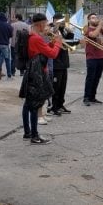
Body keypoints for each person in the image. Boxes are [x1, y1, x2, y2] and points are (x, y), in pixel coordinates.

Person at [24, 13, 61, 144]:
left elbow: (44, 50)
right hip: (37, 72)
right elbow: (52, 54)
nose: (45, 27)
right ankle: (34, 136)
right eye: (45, 24)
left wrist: (51, 42)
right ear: (39, 24)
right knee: (35, 104)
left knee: (28, 104)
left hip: (31, 71)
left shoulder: (31, 34)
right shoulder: (36, 38)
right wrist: (58, 43)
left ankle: (27, 132)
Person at [83, 13, 103, 106]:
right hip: (92, 57)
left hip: (101, 56)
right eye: (92, 18)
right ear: (89, 20)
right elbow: (93, 35)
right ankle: (86, 98)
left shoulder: (101, 29)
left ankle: (92, 97)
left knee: (97, 78)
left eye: (96, 17)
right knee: (90, 78)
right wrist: (100, 25)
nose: (95, 19)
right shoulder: (87, 28)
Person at [48, 13, 75, 116]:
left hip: (64, 62)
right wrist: (56, 27)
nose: (61, 22)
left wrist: (70, 32)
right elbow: (51, 40)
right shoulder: (50, 29)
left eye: (62, 20)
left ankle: (60, 105)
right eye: (59, 20)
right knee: (55, 87)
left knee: (62, 86)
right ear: (54, 20)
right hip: (55, 62)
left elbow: (70, 43)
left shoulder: (63, 29)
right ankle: (53, 107)